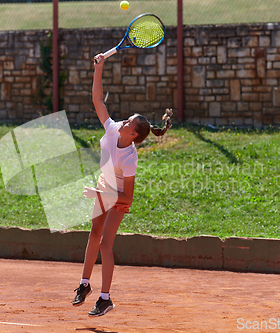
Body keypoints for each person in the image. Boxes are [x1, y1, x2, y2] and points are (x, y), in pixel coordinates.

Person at [72, 53, 173, 317]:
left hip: (116, 195)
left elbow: (127, 199)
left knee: (106, 243)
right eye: (126, 119)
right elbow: (96, 100)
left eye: (128, 123)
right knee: (93, 235)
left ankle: (105, 298)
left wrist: (99, 193)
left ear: (134, 136)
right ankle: (84, 284)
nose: (123, 122)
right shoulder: (113, 128)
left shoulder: (130, 158)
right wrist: (99, 68)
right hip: (104, 185)